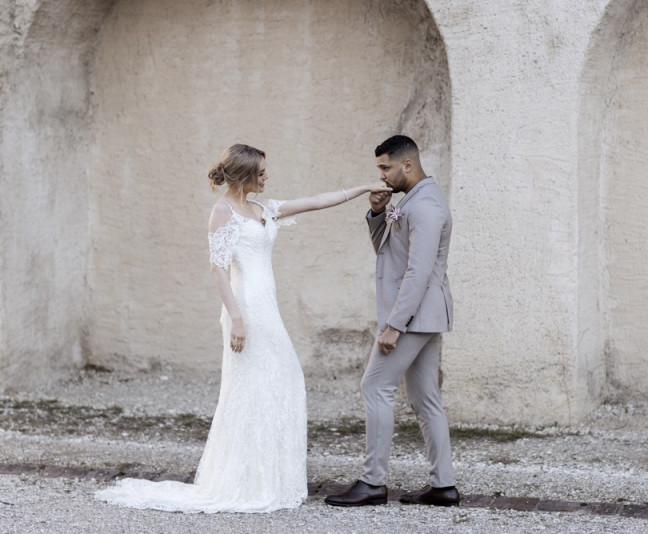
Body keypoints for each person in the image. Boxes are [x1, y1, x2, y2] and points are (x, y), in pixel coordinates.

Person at [95, 143, 391, 513]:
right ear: (244, 175)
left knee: (283, 381)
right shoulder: (223, 211)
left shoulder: (263, 209)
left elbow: (316, 202)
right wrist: (236, 317)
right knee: (251, 388)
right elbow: (217, 268)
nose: (267, 177)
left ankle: (269, 478)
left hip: (267, 308)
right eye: (261, 173)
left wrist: (363, 189)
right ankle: (244, 481)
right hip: (245, 310)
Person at [324, 135, 459, 508]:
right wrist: (378, 214)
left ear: (408, 165)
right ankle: (443, 487)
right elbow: (387, 252)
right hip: (421, 315)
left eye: (385, 168)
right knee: (426, 398)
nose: (381, 175)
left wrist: (395, 325)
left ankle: (373, 482)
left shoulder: (426, 205)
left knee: (375, 386)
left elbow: (419, 272)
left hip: (414, 316)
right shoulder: (411, 200)